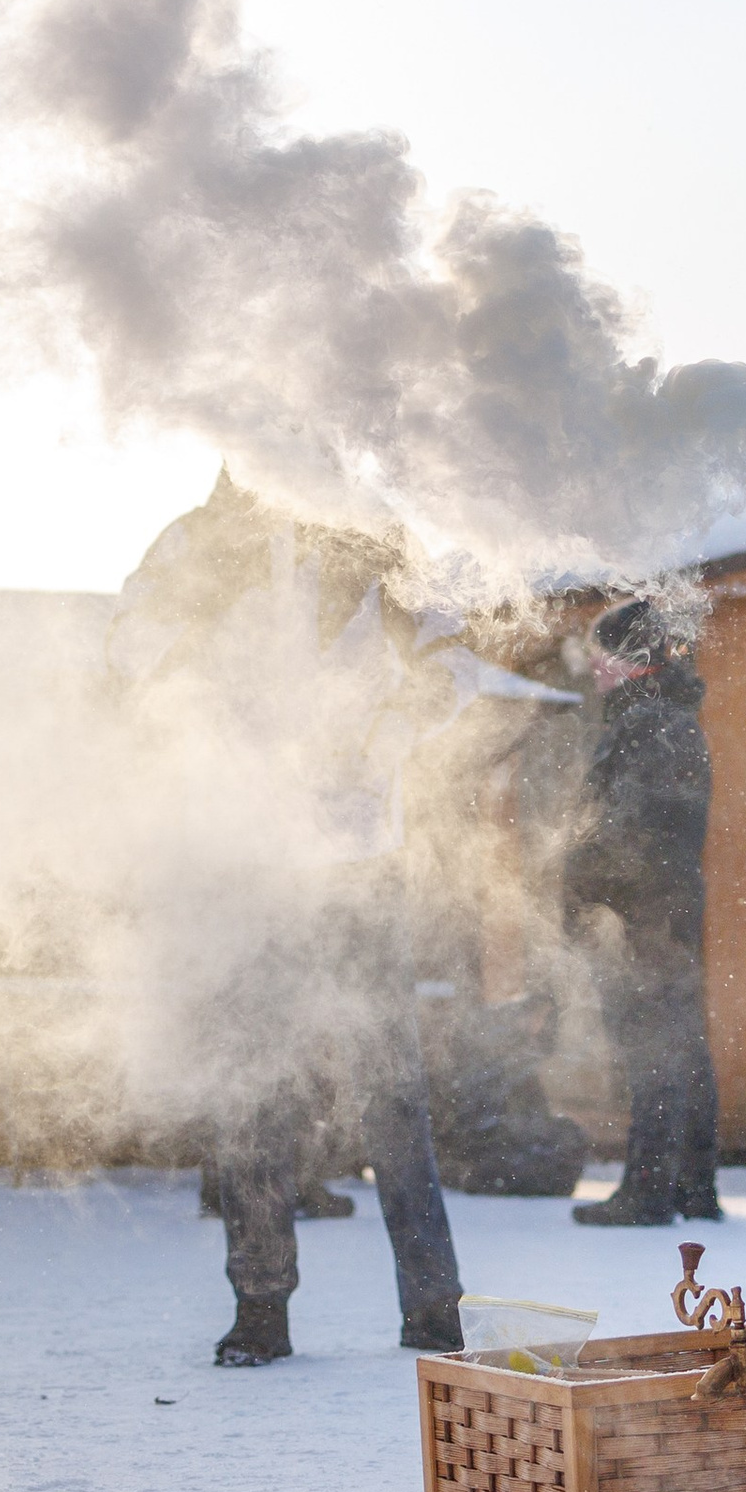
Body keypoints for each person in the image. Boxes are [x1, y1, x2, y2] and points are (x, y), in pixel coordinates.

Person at [110, 473, 465, 1368]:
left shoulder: (374, 536)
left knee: (391, 1088)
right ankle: (260, 1307)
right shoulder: (197, 539)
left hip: (360, 857)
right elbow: (126, 650)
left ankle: (434, 1310)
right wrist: (194, 652)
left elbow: (449, 660)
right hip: (246, 857)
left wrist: (378, 746)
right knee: (251, 1087)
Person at [562, 596, 722, 1225]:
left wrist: (590, 896)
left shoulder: (648, 724)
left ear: (630, 661)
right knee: (680, 1040)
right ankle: (691, 1187)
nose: (595, 667)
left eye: (604, 655)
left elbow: (629, 828)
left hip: (643, 911)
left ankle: (649, 1190)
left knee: (651, 1043)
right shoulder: (667, 720)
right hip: (664, 904)